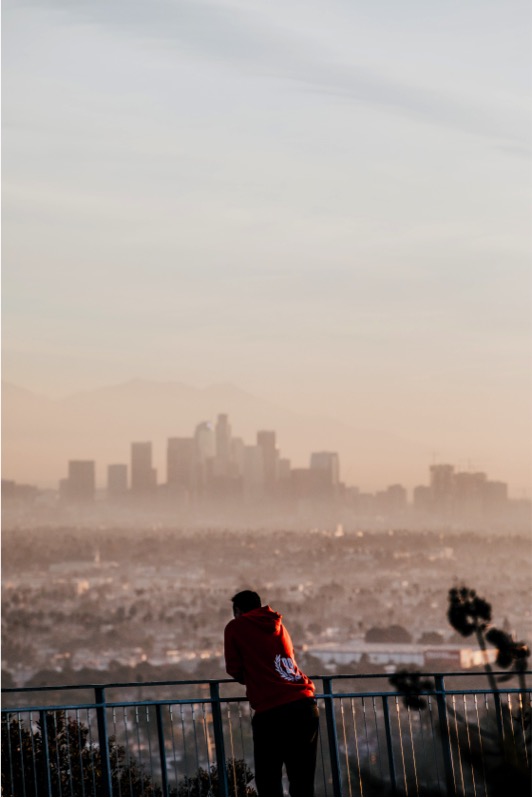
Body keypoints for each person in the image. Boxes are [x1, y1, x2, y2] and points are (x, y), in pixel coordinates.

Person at [224, 590, 319, 797]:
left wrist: (255, 676)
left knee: (268, 780)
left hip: (272, 711)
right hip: (305, 705)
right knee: (302, 780)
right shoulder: (279, 626)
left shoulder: (236, 627)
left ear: (238, 611)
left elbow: (234, 669)